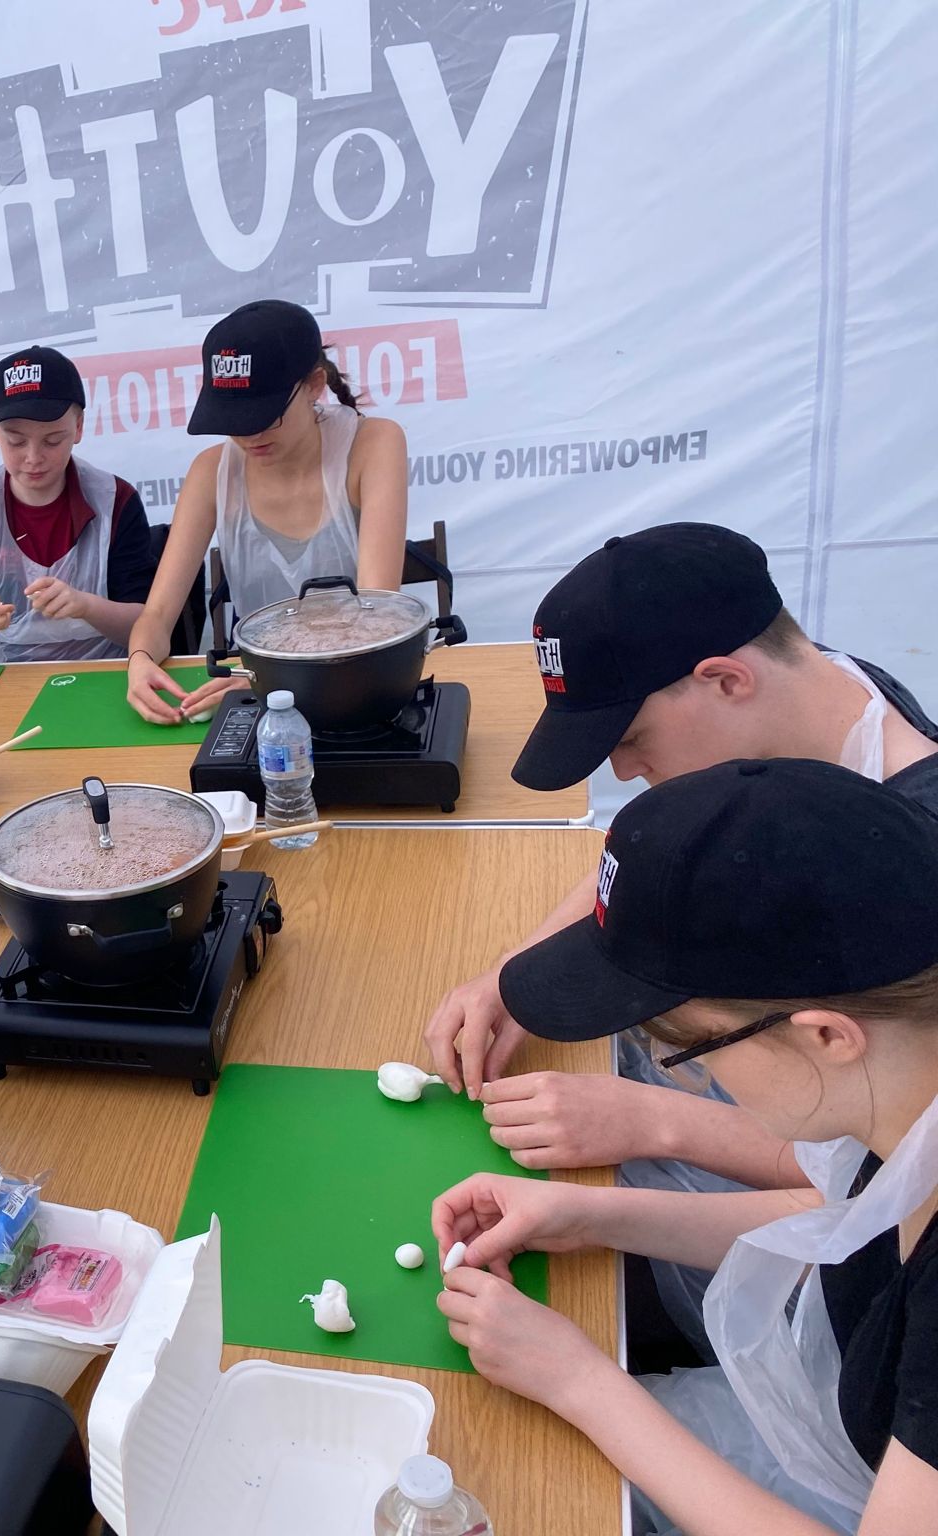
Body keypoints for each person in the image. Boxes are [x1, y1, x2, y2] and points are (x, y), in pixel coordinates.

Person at [421, 523, 938, 1351]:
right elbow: (665, 845)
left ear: (725, 679)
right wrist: (512, 972)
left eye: (631, 741)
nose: (622, 775)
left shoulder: (917, 869)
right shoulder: (816, 684)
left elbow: (875, 1175)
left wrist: (651, 1118)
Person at [434, 759, 938, 1534]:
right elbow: (843, 1231)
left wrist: (583, 1381)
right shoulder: (902, 1087)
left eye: (684, 1048)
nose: (688, 1073)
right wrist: (585, 1213)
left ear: (826, 1035)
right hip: (842, 1422)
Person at [125, 299, 409, 724]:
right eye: (234, 419)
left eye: (265, 415)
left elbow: (376, 616)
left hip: (356, 692)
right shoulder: (211, 471)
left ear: (314, 385)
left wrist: (273, 681)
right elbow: (158, 613)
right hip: (265, 704)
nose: (249, 434)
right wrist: (140, 661)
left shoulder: (374, 444)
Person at [0, 346, 157, 664]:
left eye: (53, 440)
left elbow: (152, 623)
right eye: (16, 441)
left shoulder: (116, 500)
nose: (34, 458)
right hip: (9, 680)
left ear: (78, 428)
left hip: (107, 673)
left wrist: (86, 606)